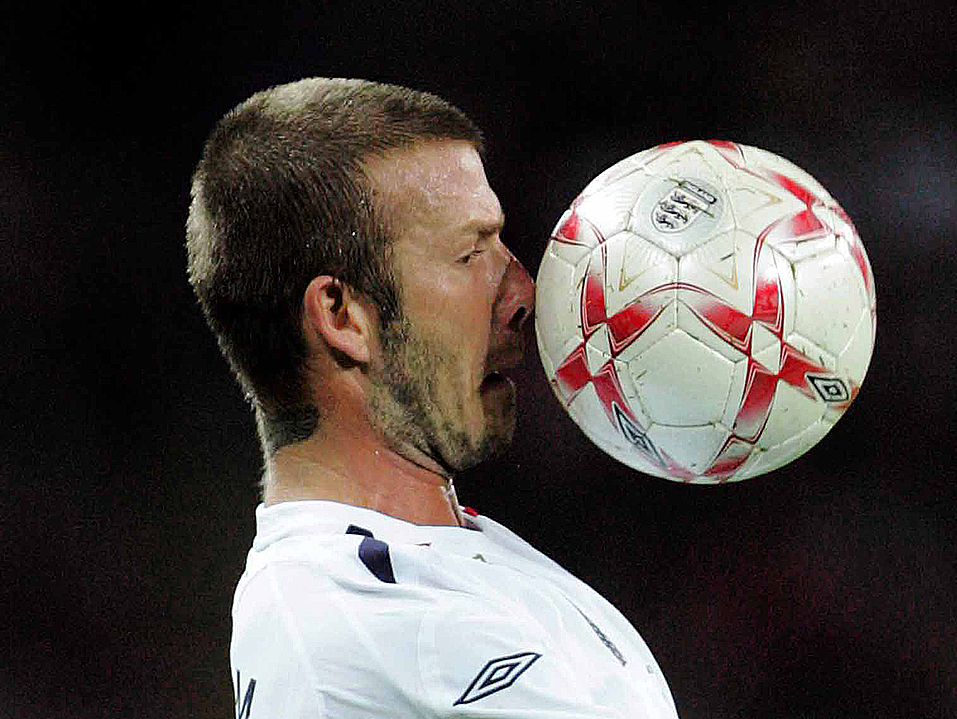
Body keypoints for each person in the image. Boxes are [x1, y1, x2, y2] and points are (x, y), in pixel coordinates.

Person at [186, 77, 678, 718]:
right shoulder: (346, 619)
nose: (524, 292)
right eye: (471, 253)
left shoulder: (462, 556)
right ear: (344, 316)